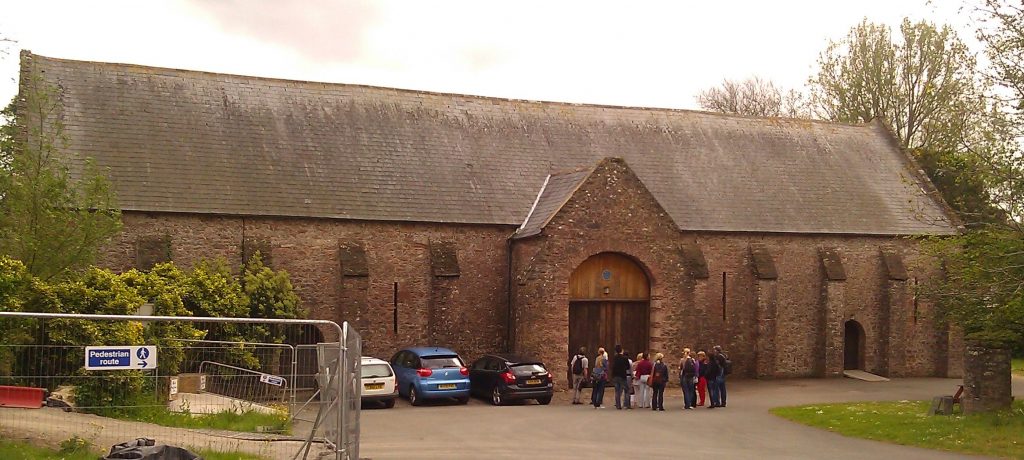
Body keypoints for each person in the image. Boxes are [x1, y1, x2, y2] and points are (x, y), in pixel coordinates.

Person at [611, 345, 632, 410]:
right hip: (622, 376)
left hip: (615, 375)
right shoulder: (624, 358)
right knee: (627, 390)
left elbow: (613, 366)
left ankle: (618, 405)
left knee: (617, 391)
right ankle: (627, 404)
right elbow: (628, 367)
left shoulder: (615, 358)